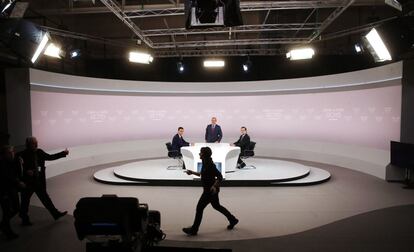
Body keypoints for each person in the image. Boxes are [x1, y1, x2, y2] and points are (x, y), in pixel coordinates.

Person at [182, 147, 238, 236]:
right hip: (210, 190)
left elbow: (219, 176)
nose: (199, 154)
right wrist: (192, 172)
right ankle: (233, 219)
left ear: (204, 154)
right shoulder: (205, 162)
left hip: (209, 191)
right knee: (217, 206)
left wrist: (214, 186)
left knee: (199, 208)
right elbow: (202, 174)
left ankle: (194, 229)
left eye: (200, 153)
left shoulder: (210, 164)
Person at [17, 137, 69, 226]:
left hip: (38, 181)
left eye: (36, 143)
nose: (36, 144)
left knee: (46, 199)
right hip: (28, 182)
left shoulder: (39, 152)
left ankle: (55, 214)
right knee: (25, 201)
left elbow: (50, 157)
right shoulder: (21, 154)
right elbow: (17, 168)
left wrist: (63, 153)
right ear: (28, 144)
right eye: (33, 143)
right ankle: (24, 218)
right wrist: (26, 171)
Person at [0, 145, 25, 240]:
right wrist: (18, 182)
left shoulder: (11, 161)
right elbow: (6, 177)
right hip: (4, 191)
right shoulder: (2, 163)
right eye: (9, 153)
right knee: (7, 211)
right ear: (4, 154)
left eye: (12, 152)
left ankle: (3, 225)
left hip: (11, 190)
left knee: (16, 208)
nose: (12, 154)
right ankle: (7, 231)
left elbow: (17, 173)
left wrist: (20, 163)